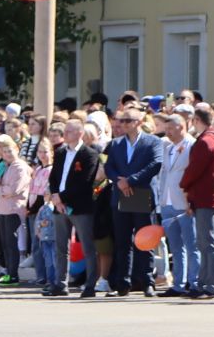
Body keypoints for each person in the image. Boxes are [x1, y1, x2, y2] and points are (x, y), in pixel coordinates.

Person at [103, 106, 164, 297]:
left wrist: (130, 180)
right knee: (122, 241)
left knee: (144, 240)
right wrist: (119, 181)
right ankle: (122, 283)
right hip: (121, 195)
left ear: (138, 122)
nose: (122, 124)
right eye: (121, 120)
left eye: (127, 121)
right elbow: (109, 166)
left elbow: (155, 164)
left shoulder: (152, 142)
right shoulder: (116, 144)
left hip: (141, 193)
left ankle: (146, 281)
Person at [47, 116, 100, 298]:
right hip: (59, 205)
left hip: (80, 206)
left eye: (69, 131)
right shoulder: (61, 152)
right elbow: (54, 177)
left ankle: (91, 284)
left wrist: (62, 196)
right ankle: (60, 283)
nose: (65, 134)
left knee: (87, 246)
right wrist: (56, 196)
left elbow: (85, 182)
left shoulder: (89, 154)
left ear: (80, 133)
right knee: (61, 246)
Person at [182, 104, 214, 299]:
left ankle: (211, 284)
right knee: (204, 241)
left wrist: (184, 183)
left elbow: (194, 169)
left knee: (208, 241)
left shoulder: (205, 142)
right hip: (209, 195)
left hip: (206, 197)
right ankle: (204, 282)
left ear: (197, 121)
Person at [155, 112, 195, 295]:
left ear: (182, 127)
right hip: (167, 202)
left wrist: (191, 200)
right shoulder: (167, 147)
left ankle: (194, 282)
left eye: (171, 128)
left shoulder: (192, 145)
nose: (167, 132)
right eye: (166, 129)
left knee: (191, 244)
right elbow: (164, 172)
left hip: (184, 201)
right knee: (175, 246)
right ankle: (179, 283)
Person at [0, 135, 31, 287]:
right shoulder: (4, 166)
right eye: (4, 151)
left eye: (10, 150)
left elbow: (13, 189)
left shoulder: (20, 167)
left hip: (14, 208)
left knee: (12, 243)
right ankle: (8, 272)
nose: (7, 154)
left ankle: (14, 275)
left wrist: (0, 190)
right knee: (5, 243)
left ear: (16, 150)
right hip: (2, 208)